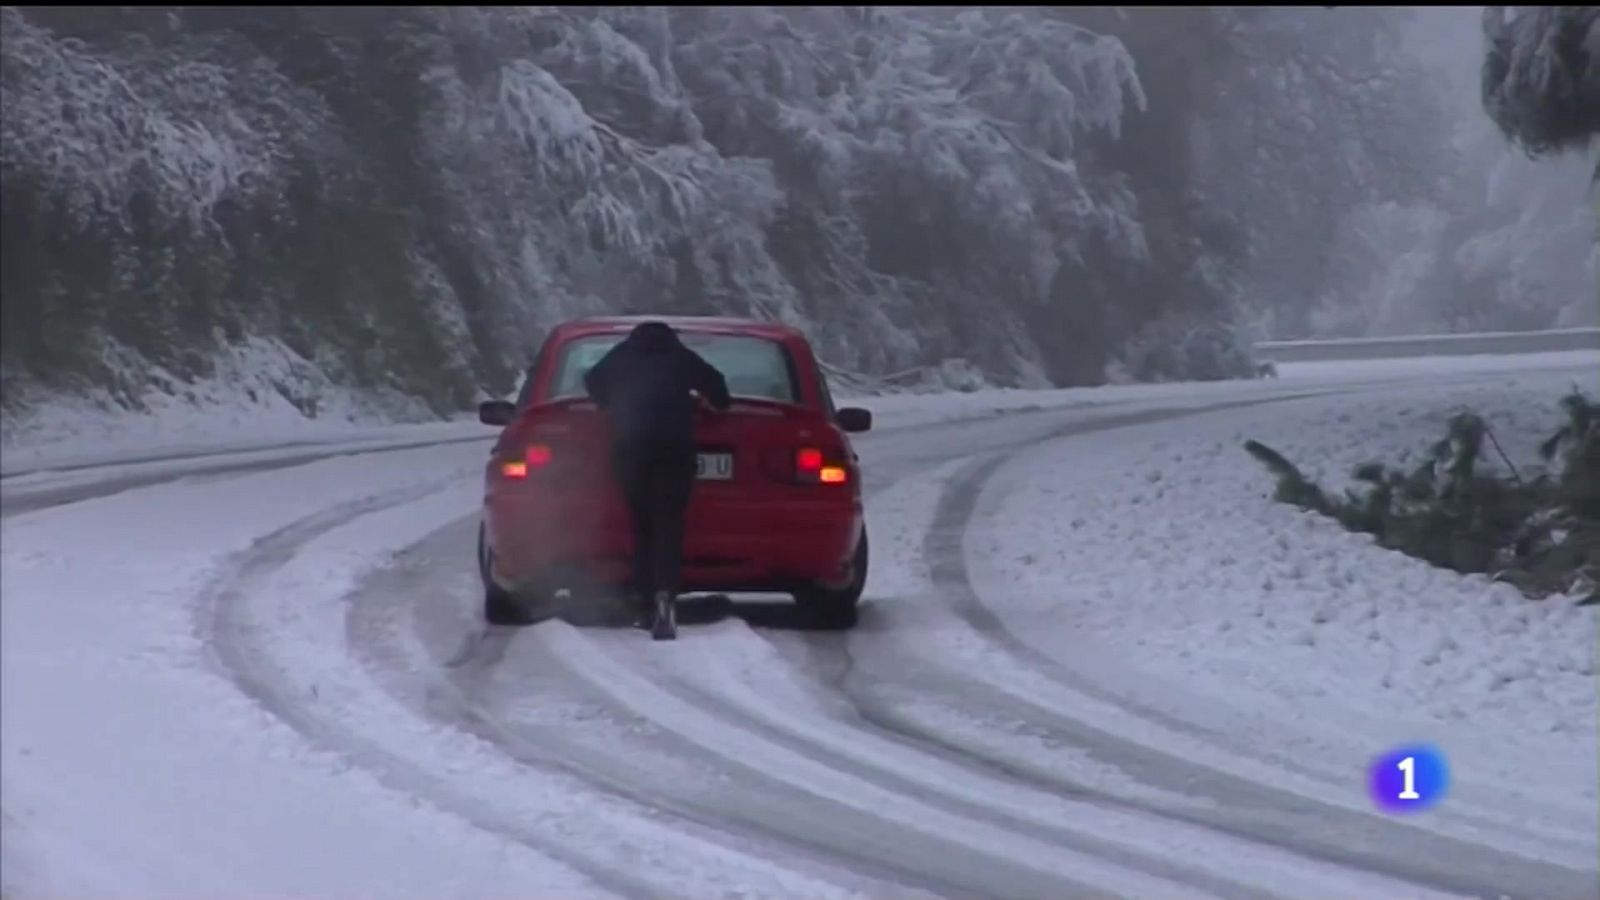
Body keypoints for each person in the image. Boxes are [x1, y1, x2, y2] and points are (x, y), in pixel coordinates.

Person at [583, 321, 732, 639]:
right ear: (671, 338)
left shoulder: (621, 355)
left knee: (641, 523)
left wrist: (613, 402)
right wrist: (701, 401)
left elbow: (593, 380)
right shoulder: (680, 357)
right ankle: (666, 594)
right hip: (674, 451)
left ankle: (643, 602)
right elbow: (720, 392)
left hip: (631, 450)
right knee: (668, 522)